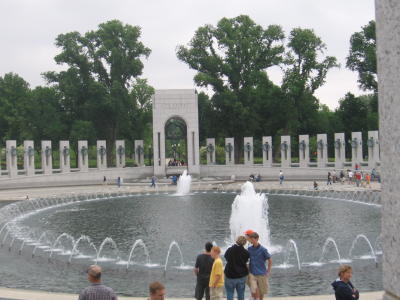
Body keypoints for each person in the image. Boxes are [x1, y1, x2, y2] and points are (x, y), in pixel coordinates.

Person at [245, 230, 272, 300]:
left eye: (253, 239)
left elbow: (270, 260)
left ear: (257, 239)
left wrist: (268, 271)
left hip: (261, 273)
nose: (251, 240)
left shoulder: (263, 250)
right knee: (254, 289)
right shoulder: (249, 249)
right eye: (250, 239)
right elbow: (246, 259)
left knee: (261, 292)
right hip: (252, 273)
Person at [224, 236, 249, 300]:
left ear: (237, 241)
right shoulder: (246, 252)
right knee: (241, 294)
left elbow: (226, 257)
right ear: (244, 243)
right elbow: (245, 261)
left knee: (230, 293)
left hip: (230, 275)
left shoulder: (230, 250)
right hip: (241, 276)